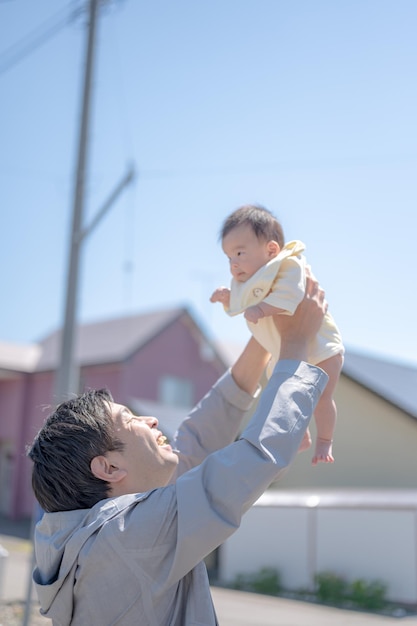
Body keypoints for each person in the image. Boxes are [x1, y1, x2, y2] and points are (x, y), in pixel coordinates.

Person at [27, 276, 328, 626]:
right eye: (131, 418)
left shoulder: (93, 538)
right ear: (108, 468)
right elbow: (254, 460)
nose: (152, 420)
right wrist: (295, 342)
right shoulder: (127, 535)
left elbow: (193, 445)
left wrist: (263, 338)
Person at [210, 204, 344, 465]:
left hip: (322, 348)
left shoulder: (288, 266)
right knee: (282, 396)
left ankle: (325, 441)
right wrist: (227, 298)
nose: (233, 264)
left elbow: (290, 296)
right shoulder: (247, 280)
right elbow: (239, 304)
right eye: (228, 258)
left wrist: (261, 307)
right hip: (285, 352)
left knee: (322, 398)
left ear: (271, 250)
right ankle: (301, 435)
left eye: (239, 253)